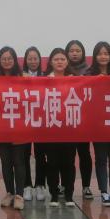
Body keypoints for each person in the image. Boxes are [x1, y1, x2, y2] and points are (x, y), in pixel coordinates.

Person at [0, 46, 28, 210]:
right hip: (1, 127)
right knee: (6, 162)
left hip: (19, 126)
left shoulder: (24, 78)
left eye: (9, 58)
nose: (7, 61)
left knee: (19, 161)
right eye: (3, 59)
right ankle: (9, 192)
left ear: (14, 60)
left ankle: (19, 195)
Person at [42, 48, 76, 207]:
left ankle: (69, 195)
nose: (60, 62)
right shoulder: (44, 80)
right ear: (51, 62)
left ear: (67, 62)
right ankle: (54, 195)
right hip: (51, 129)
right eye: (56, 59)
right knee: (52, 163)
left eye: (62, 59)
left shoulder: (75, 80)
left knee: (68, 163)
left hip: (69, 128)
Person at [89, 41, 110, 207]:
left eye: (106, 54)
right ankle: (103, 191)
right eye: (100, 54)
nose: (103, 57)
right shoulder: (89, 75)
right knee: (101, 159)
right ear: (95, 56)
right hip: (98, 123)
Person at [66, 39, 94, 199]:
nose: (74, 53)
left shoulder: (89, 71)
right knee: (67, 155)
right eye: (71, 51)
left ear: (82, 53)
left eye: (77, 50)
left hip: (84, 119)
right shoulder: (62, 70)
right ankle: (65, 185)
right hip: (67, 119)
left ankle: (86, 186)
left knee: (84, 153)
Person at [21, 46, 48, 202]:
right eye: (30, 59)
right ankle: (26, 186)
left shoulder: (46, 76)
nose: (33, 61)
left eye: (35, 58)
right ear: (25, 60)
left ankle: (40, 185)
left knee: (40, 155)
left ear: (39, 60)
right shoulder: (19, 77)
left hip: (41, 121)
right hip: (24, 121)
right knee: (24, 154)